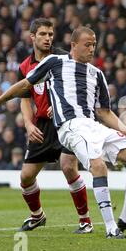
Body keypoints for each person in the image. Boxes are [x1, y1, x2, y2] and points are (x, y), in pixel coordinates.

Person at [0, 27, 126, 239]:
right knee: (96, 165)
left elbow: (104, 113)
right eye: (87, 44)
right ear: (73, 45)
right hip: (70, 127)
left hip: (93, 126)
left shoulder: (97, 74)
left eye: (94, 45)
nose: (92, 49)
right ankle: (110, 228)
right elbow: (25, 85)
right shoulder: (55, 63)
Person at [16, 18, 92, 234]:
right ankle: (37, 216)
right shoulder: (24, 66)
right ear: (32, 37)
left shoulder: (63, 58)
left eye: (50, 34)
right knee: (26, 177)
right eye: (43, 34)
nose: (48, 38)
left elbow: (79, 84)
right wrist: (29, 125)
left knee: (68, 167)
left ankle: (85, 221)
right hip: (42, 125)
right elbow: (24, 99)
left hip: (66, 121)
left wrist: (61, 105)